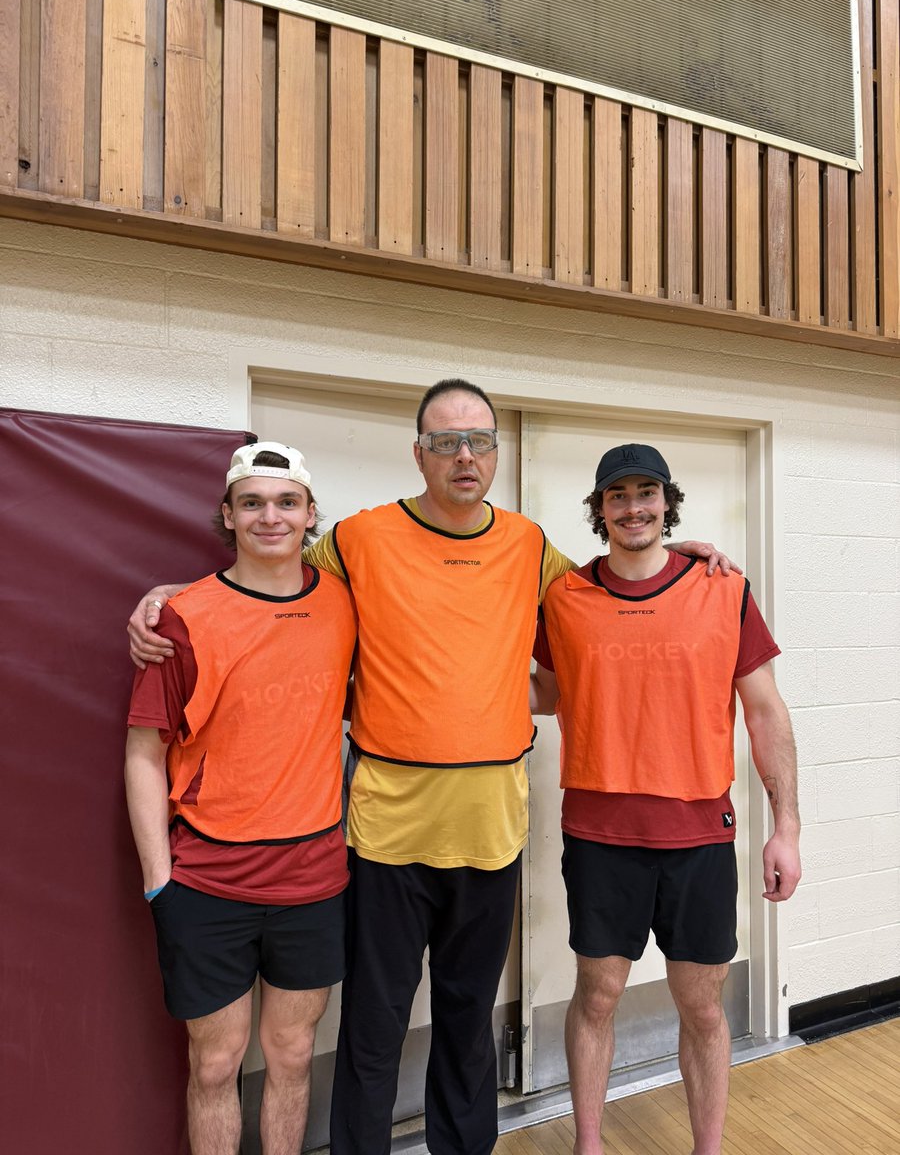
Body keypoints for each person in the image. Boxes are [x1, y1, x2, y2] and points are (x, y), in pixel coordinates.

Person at [128, 384, 735, 1155]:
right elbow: (263, 573)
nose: (464, 456)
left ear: (496, 453)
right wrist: (170, 597)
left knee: (468, 1019)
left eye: (478, 441)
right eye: (446, 443)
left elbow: (605, 587)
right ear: (419, 454)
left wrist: (674, 552)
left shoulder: (527, 545)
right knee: (374, 1025)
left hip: (490, 831)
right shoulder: (360, 538)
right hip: (386, 830)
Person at [531, 442, 802, 1155]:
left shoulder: (722, 588)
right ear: (600, 509)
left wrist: (787, 829)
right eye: (617, 496)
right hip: (599, 837)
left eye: (646, 492)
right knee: (597, 997)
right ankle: (589, 1145)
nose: (633, 507)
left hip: (699, 838)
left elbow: (766, 713)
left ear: (667, 501)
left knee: (704, 1009)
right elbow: (547, 693)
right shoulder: (564, 598)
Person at [125, 442, 357, 1155]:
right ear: (227, 515)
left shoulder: (346, 602)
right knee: (215, 1064)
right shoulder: (182, 617)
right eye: (251, 503)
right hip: (207, 882)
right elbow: (143, 754)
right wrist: (159, 881)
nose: (270, 517)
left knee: (292, 1055)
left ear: (311, 514)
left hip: (312, 877)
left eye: (287, 502)